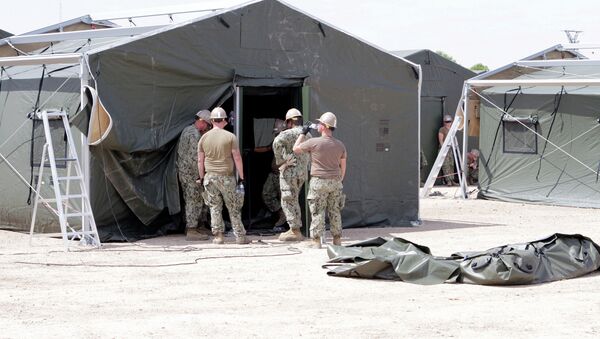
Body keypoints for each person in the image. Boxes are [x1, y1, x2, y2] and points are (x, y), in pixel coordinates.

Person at [197, 107, 250, 245]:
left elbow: (200, 161)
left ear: (212, 120)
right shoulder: (230, 137)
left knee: (214, 207)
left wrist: (202, 178)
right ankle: (240, 236)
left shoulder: (203, 137)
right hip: (226, 177)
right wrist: (241, 177)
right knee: (233, 207)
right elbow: (237, 157)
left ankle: (218, 236)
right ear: (225, 120)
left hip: (210, 178)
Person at [293, 112, 346, 248]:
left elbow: (295, 149)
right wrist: (339, 181)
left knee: (317, 211)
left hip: (318, 181)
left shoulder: (313, 142)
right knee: (335, 211)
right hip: (335, 181)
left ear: (324, 126)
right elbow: (343, 167)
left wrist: (303, 133)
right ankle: (337, 240)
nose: (318, 125)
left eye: (320, 123)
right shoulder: (340, 145)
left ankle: (316, 242)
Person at [273, 108, 311, 242]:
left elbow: (276, 142)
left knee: (288, 200)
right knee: (294, 199)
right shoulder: (308, 135)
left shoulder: (288, 133)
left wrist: (281, 161)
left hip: (289, 172)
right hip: (301, 173)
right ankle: (295, 229)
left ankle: (294, 230)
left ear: (289, 122)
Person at [176, 109, 212, 241]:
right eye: (208, 125)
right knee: (193, 200)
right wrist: (200, 175)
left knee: (198, 200)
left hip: (189, 173)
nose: (208, 128)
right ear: (201, 122)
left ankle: (199, 226)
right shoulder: (193, 134)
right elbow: (195, 158)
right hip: (191, 174)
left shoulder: (190, 131)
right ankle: (191, 230)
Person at [260, 119, 287, 231]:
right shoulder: (276, 141)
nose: (276, 135)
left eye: (277, 133)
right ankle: (281, 212)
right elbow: (267, 148)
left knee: (285, 198)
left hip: (283, 174)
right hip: (274, 174)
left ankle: (285, 220)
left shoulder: (287, 141)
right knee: (266, 194)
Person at [438, 114, 457, 186]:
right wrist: (443, 148)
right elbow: (441, 140)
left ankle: (452, 180)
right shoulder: (442, 129)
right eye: (446, 122)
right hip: (444, 148)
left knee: (451, 164)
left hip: (450, 149)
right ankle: (448, 180)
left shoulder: (452, 129)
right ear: (444, 122)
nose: (448, 123)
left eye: (449, 121)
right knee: (446, 165)